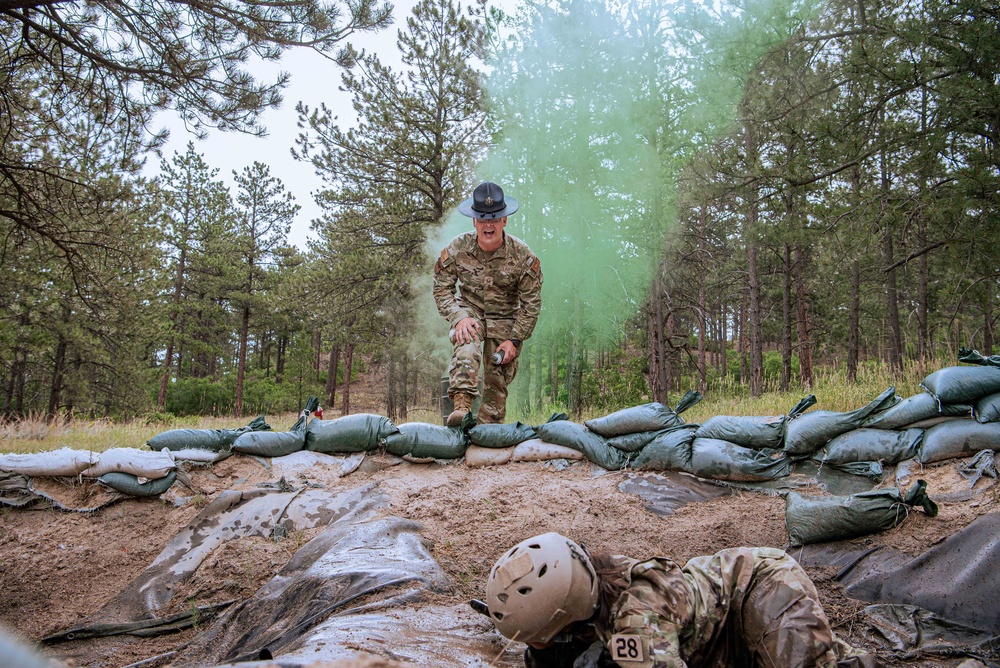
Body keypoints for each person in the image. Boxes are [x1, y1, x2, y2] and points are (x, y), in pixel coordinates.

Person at [482, 532, 876, 668]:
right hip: (714, 640)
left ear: (561, 619)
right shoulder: (586, 592)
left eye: (533, 638)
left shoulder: (637, 622)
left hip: (759, 585)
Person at [433, 181, 542, 425]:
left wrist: (514, 340)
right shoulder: (457, 249)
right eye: (482, 218)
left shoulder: (523, 256)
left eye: (494, 218)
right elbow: (441, 288)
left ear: (504, 220)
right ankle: (461, 406)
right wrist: (458, 316)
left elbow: (531, 303)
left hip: (506, 321)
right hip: (471, 312)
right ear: (474, 221)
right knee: (467, 339)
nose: (488, 224)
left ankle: (488, 434)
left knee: (497, 380)